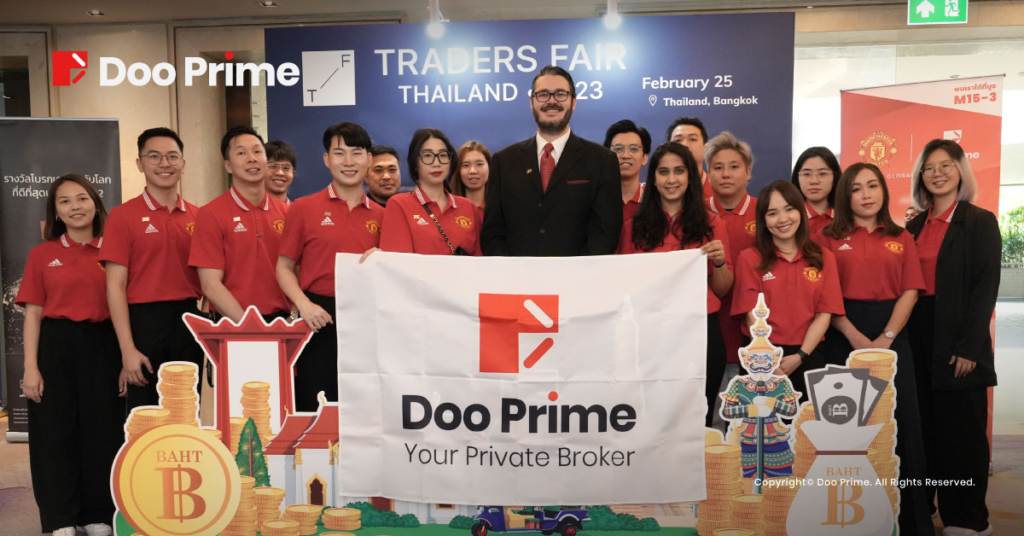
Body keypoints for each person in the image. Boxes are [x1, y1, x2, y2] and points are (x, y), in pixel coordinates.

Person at [818, 163, 933, 536]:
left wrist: (886, 338)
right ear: (845, 195)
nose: (866, 195)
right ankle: (846, 523)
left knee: (903, 426)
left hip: (894, 333)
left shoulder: (902, 236)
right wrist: (853, 336)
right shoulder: (826, 238)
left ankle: (913, 523)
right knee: (845, 428)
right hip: (842, 331)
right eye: (856, 188)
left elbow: (910, 291)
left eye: (872, 186)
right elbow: (825, 295)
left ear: (884, 190)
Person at [17, 174, 122, 536]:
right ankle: (60, 517)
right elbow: (33, 314)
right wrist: (31, 368)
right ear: (56, 212)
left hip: (104, 345)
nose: (75, 206)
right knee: (54, 433)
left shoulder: (114, 251)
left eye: (82, 198)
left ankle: (97, 513)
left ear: (96, 204)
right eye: (65, 201)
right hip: (55, 345)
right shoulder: (42, 254)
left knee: (102, 430)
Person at [906, 139, 1000, 536]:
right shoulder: (912, 226)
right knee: (923, 431)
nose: (937, 173)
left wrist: (968, 347)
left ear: (961, 170)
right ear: (920, 177)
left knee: (961, 436)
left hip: (959, 339)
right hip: (917, 337)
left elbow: (985, 288)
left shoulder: (979, 221)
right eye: (929, 167)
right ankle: (921, 509)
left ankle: (966, 519)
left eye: (946, 165)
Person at [617, 142, 732, 427]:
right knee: (651, 417)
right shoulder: (633, 228)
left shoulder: (712, 223)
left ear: (690, 177)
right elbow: (622, 287)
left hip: (700, 329)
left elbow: (721, 289)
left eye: (679, 171)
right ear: (653, 179)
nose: (671, 179)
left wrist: (719, 263)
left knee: (699, 418)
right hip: (650, 333)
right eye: (664, 172)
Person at [277, 122, 383, 411]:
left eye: (356, 153)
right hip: (316, 318)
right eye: (339, 153)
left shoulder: (384, 215)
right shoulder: (303, 208)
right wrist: (304, 305)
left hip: (365, 321)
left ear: (369, 159)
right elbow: (284, 267)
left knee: (363, 408)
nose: (348, 162)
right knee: (315, 407)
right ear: (326, 159)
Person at [100, 127, 204, 411]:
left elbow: (211, 279)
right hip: (143, 324)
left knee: (186, 408)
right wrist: (127, 349)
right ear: (140, 163)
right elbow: (114, 286)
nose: (164, 163)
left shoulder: (199, 216)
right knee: (145, 414)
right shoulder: (122, 216)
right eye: (154, 156)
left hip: (188, 321)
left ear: (183, 164)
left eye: (172, 156)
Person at [482, 65, 621, 256]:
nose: (552, 101)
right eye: (543, 94)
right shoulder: (503, 161)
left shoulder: (602, 161)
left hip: (579, 273)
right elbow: (492, 233)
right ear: (531, 102)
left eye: (561, 94)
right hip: (516, 274)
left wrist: (574, 271)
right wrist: (514, 271)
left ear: (574, 102)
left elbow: (605, 234)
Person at [731, 181, 844, 398]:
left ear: (800, 211)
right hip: (761, 357)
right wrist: (770, 362)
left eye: (789, 209)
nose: (782, 219)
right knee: (760, 418)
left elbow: (824, 314)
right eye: (772, 213)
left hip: (809, 355)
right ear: (763, 220)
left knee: (808, 419)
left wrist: (801, 355)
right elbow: (752, 316)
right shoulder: (749, 258)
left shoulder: (824, 258)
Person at [189, 125, 290, 322]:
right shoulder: (210, 214)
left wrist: (293, 317)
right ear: (228, 165)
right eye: (241, 153)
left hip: (283, 322)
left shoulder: (287, 213)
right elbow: (210, 285)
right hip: (231, 321)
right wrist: (249, 326)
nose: (252, 158)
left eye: (257, 151)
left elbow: (298, 274)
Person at [704, 131, 758, 384]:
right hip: (707, 331)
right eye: (718, 167)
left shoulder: (767, 213)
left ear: (748, 172)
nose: (725, 174)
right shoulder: (695, 213)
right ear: (708, 173)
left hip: (755, 334)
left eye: (734, 167)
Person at [380, 128, 483, 255]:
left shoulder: (469, 207)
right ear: (415, 163)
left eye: (443, 155)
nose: (436, 163)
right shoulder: (399, 204)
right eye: (428, 155)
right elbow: (398, 261)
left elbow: (480, 261)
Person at [604, 119, 651, 223]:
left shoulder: (653, 198)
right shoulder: (596, 198)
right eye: (618, 149)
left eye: (633, 149)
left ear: (645, 158)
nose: (625, 155)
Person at [791, 146, 840, 236]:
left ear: (835, 177)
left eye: (823, 173)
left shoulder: (847, 216)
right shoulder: (789, 219)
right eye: (807, 174)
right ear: (797, 178)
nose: (814, 181)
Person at [666, 116, 713, 198]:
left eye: (692, 139)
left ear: (705, 148)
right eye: (678, 140)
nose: (685, 145)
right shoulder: (652, 191)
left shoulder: (718, 188)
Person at [451, 140, 491, 208]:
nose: (473, 171)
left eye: (479, 164)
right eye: (466, 165)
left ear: (490, 167)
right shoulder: (449, 207)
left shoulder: (501, 207)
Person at [264, 140, 297, 206]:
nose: (280, 172)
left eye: (286, 167)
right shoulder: (249, 209)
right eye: (272, 166)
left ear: (293, 173)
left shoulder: (298, 210)